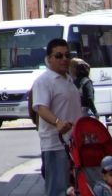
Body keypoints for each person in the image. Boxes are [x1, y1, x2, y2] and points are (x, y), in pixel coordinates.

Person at [31, 38, 83, 196]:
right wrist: (58, 122)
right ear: (49, 59)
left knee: (73, 189)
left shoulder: (67, 79)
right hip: (55, 145)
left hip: (73, 143)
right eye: (59, 56)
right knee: (58, 190)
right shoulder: (44, 81)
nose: (64, 59)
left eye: (67, 55)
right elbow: (40, 107)